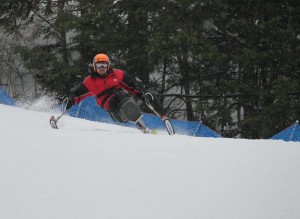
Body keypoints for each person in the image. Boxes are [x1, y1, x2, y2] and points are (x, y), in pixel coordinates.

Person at [65, 53, 150, 133]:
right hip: (113, 110)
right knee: (113, 100)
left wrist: (140, 94)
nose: (101, 68)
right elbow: (78, 94)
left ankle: (142, 125)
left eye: (104, 65)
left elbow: (131, 86)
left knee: (120, 95)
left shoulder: (117, 74)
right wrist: (71, 100)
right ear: (94, 66)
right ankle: (138, 122)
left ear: (108, 65)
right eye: (99, 65)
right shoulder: (89, 82)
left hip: (124, 100)